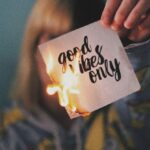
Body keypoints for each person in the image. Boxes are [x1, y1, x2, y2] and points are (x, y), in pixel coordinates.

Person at [0, 0, 150, 149]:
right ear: (34, 47)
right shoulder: (7, 133)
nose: (72, 58)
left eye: (81, 42)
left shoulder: (124, 114)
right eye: (55, 39)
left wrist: (139, 44)